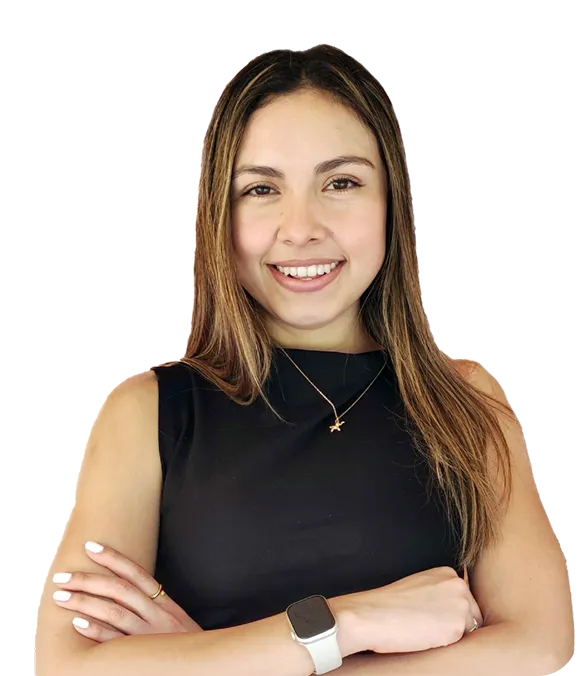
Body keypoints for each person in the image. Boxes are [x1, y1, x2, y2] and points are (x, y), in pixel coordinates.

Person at [34, 45, 574, 676]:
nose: (301, 228)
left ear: (392, 201)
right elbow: (67, 665)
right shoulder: (149, 413)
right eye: (261, 189)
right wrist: (348, 623)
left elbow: (538, 647)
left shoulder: (466, 401)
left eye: (340, 183)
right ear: (220, 216)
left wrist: (215, 660)